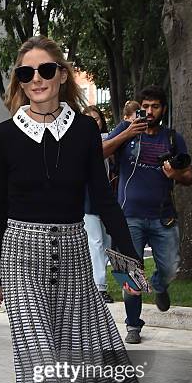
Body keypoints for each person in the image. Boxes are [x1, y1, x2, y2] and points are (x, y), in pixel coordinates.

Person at [0, 35, 150, 383]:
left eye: (47, 70)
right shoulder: (2, 135)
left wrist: (126, 262)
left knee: (67, 361)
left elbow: (103, 198)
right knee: (41, 365)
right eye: (26, 73)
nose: (36, 79)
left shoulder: (83, 131)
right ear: (18, 81)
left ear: (63, 75)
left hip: (73, 256)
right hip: (21, 258)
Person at [103, 86, 192, 344]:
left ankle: (160, 285)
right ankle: (133, 325)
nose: (150, 112)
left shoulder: (173, 139)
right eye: (146, 107)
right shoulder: (127, 130)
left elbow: (188, 175)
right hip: (128, 216)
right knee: (130, 273)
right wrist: (127, 132)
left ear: (163, 108)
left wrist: (176, 175)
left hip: (163, 216)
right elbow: (99, 152)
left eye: (155, 107)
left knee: (171, 266)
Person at [83, 104, 113, 303]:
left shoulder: (108, 140)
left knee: (107, 242)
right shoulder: (80, 142)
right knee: (96, 242)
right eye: (89, 119)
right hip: (87, 197)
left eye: (97, 119)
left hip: (107, 197)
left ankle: (95, 281)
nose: (94, 122)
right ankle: (99, 287)